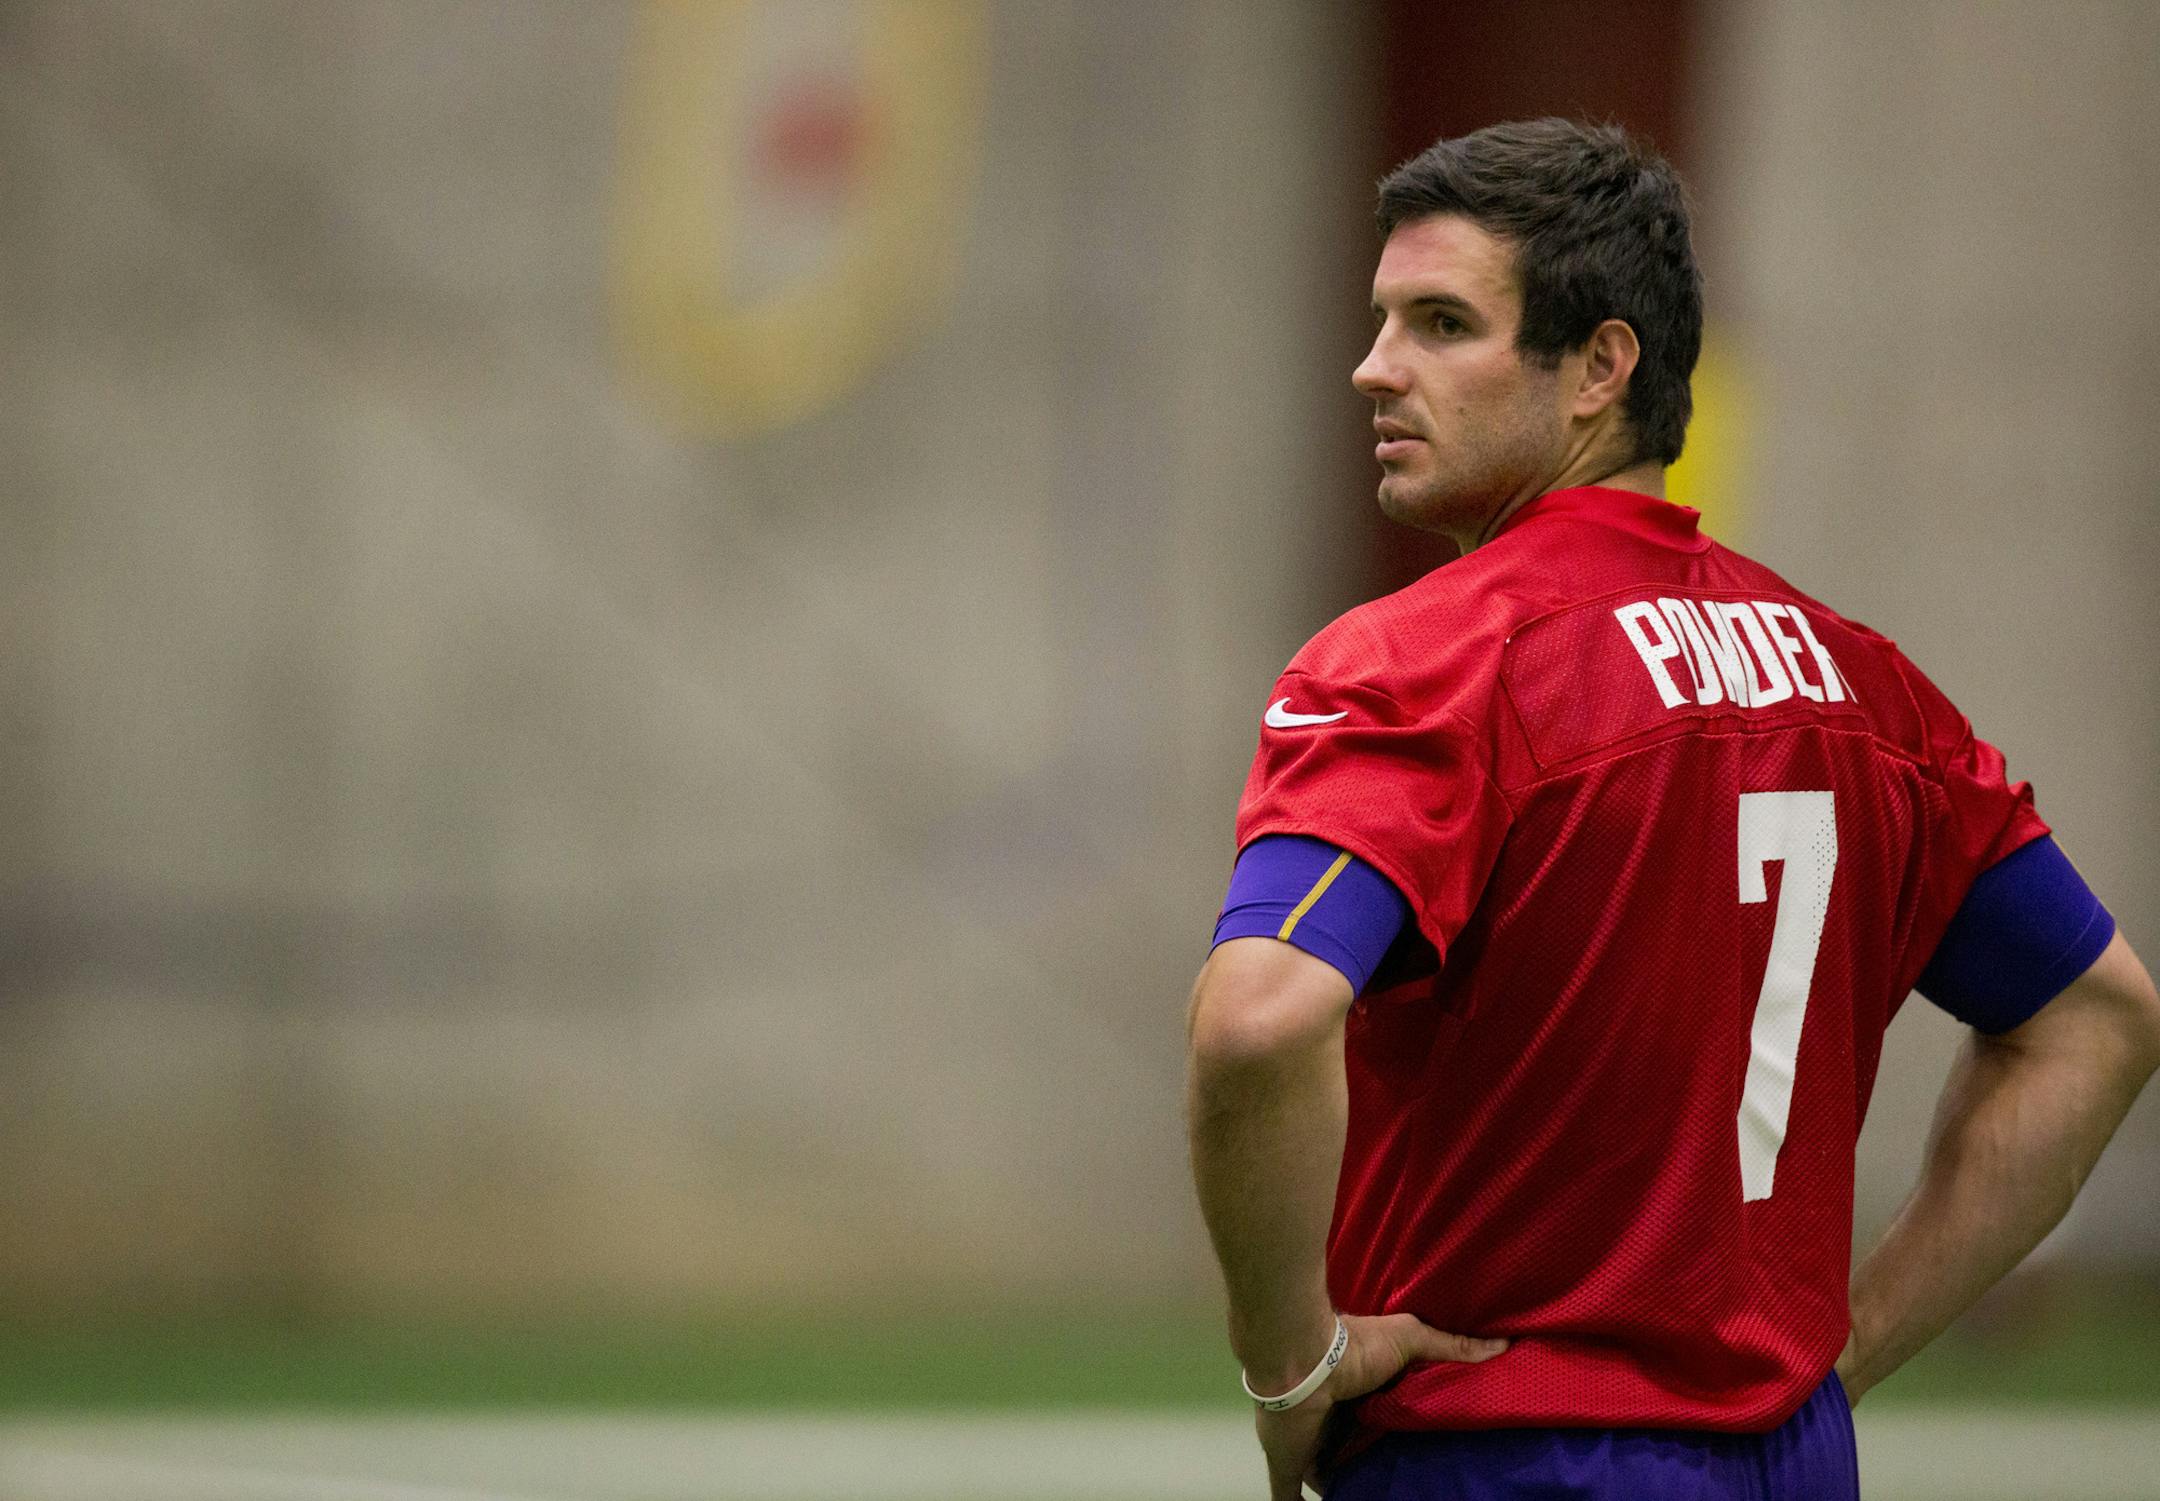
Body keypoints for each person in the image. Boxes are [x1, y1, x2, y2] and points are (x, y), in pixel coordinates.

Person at [1183, 117, 2160, 1501]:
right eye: (1383, 319)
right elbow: (2100, 1020)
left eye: (1442, 324)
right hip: (1788, 1462)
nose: (1375, 366)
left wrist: (1291, 1366)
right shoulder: (1867, 690)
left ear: (1602, 366)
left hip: (1501, 1454)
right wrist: (1845, 1354)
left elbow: (1258, 1023)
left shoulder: (1425, 661)